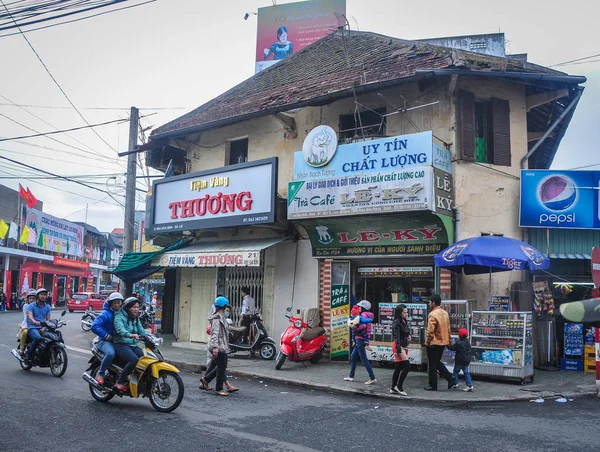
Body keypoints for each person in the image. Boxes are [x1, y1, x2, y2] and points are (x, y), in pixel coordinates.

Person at [200, 302, 238, 393]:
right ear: (223, 307)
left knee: (217, 366)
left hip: (221, 345)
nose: (227, 311)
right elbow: (215, 334)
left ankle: (205, 381)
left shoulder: (221, 317)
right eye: (226, 308)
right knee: (221, 367)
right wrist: (215, 347)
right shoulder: (217, 319)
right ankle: (219, 388)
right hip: (219, 346)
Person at [112, 296, 146, 392]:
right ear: (127, 308)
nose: (136, 309)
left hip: (132, 345)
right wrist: (130, 335)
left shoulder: (135, 318)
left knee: (145, 358)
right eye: (134, 307)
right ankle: (119, 382)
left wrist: (150, 337)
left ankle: (136, 380)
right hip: (121, 344)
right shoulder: (119, 316)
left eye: (137, 307)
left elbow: (141, 330)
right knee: (134, 359)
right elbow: (120, 330)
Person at [90, 292, 124, 385]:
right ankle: (100, 374)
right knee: (111, 353)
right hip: (104, 341)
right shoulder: (105, 314)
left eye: (119, 302)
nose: (117, 305)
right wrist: (106, 336)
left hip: (118, 340)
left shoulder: (121, 313)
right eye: (115, 303)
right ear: (110, 304)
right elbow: (94, 326)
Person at [424, 294, 454, 391]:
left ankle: (434, 385)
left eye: (430, 302)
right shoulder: (445, 313)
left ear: (433, 302)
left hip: (434, 342)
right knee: (436, 363)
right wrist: (449, 341)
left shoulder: (432, 314)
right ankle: (450, 379)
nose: (429, 304)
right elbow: (449, 329)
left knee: (433, 364)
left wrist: (427, 342)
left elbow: (430, 331)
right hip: (443, 342)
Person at [344, 300, 377, 385]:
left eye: (359, 307)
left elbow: (363, 326)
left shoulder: (362, 315)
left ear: (362, 308)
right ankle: (351, 376)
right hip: (360, 339)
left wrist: (354, 325)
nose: (358, 308)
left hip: (360, 339)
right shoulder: (366, 315)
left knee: (364, 359)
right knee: (353, 357)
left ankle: (372, 377)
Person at [24, 288, 51, 361]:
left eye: (44, 295)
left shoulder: (47, 307)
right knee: (38, 338)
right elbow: (30, 316)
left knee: (53, 337)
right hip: (32, 327)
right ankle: (28, 354)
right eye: (41, 294)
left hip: (42, 326)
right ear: (37, 296)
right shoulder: (31, 306)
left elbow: (48, 319)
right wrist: (35, 322)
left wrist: (44, 328)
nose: (43, 296)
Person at [390, 304, 411, 396]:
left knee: (399, 366)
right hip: (398, 346)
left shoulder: (404, 321)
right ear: (399, 313)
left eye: (407, 312)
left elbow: (405, 333)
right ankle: (399, 387)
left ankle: (393, 387)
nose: (406, 314)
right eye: (404, 312)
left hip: (403, 345)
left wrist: (408, 339)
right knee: (407, 365)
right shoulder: (397, 323)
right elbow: (396, 337)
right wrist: (399, 349)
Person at [449, 328, 474, 392]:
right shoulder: (467, 342)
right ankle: (469, 385)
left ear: (459, 335)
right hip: (466, 360)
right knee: (466, 372)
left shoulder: (459, 343)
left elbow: (453, 348)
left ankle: (455, 383)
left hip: (459, 361)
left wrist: (447, 345)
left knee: (455, 371)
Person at [18, 290, 37, 356]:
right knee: (25, 331)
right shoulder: (26, 306)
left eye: (33, 298)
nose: (31, 300)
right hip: (27, 323)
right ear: (27, 299)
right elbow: (26, 317)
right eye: (30, 298)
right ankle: (22, 348)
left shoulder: (39, 306)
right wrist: (26, 326)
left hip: (37, 324)